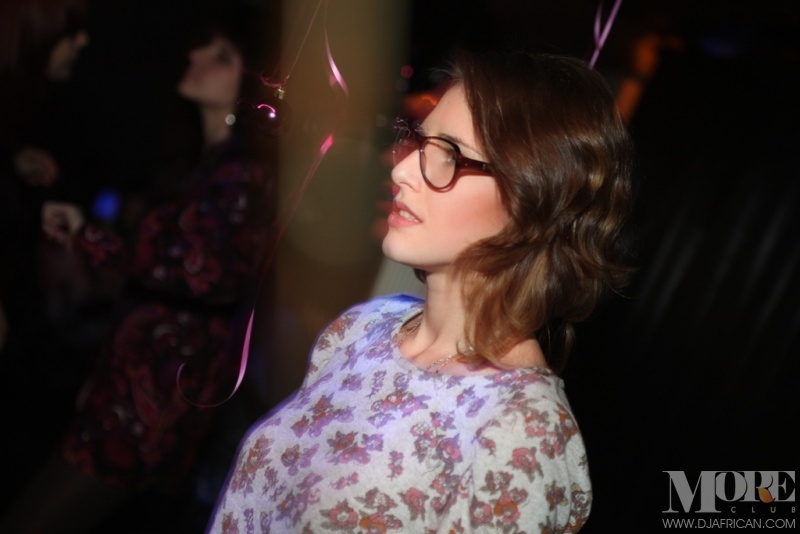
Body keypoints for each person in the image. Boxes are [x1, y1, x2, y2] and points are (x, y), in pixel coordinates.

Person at [207, 49, 633, 533]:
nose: (402, 170)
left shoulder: (522, 432)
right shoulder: (364, 327)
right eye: (417, 141)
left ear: (534, 198)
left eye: (449, 154)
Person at [0, 25, 275, 534]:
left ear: (248, 86)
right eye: (203, 45)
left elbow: (202, 274)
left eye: (220, 55)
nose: (196, 53)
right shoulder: (200, 165)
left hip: (153, 402)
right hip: (125, 385)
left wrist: (91, 238)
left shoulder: (243, 175)